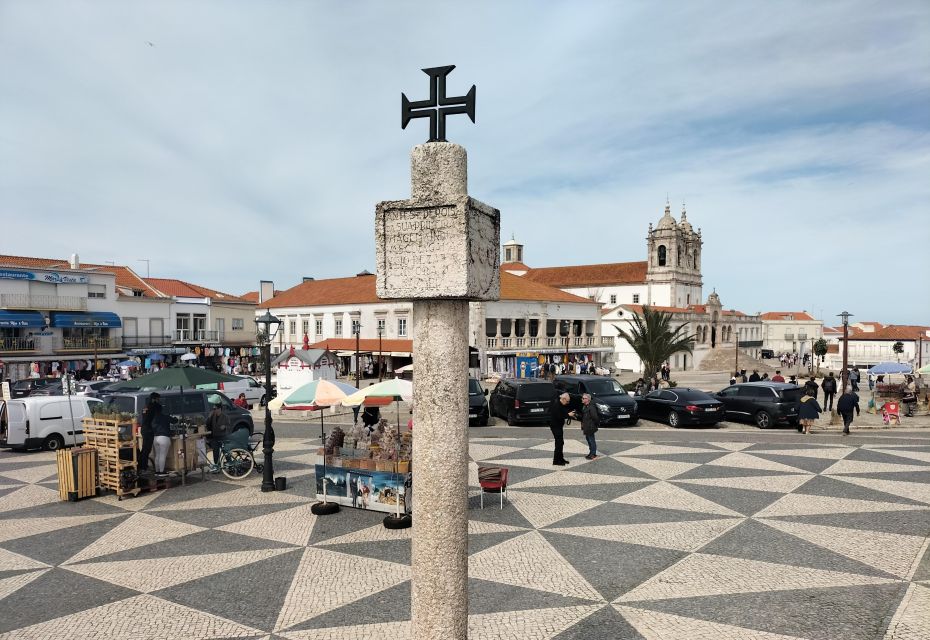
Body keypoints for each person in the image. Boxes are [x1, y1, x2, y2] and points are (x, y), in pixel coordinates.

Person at [548, 392, 574, 465]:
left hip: (558, 426)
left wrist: (569, 413)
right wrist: (568, 415)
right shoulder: (556, 405)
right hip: (555, 427)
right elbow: (559, 416)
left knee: (561, 443)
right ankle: (556, 461)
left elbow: (563, 412)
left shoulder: (561, 404)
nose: (568, 402)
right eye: (567, 401)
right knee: (559, 443)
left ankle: (561, 459)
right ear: (563, 399)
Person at [205, 398, 230, 469]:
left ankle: (230, 462)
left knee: (226, 450)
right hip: (215, 436)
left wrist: (224, 427)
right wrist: (209, 416)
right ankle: (217, 465)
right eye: (213, 409)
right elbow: (207, 424)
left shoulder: (225, 416)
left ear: (220, 409)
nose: (214, 410)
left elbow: (229, 426)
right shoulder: (212, 416)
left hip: (223, 436)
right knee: (215, 451)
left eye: (215, 409)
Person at [138, 392, 160, 472]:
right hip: (148, 430)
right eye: (158, 399)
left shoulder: (145, 406)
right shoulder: (153, 406)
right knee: (147, 449)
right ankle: (143, 467)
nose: (159, 401)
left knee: (144, 449)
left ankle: (142, 465)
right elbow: (158, 415)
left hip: (143, 429)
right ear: (154, 399)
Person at [152, 403, 174, 478]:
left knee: (157, 455)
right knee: (162, 455)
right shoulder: (165, 417)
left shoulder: (152, 418)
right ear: (161, 410)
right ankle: (161, 471)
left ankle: (157, 471)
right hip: (164, 438)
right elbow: (174, 420)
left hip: (155, 438)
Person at [580, 393, 600, 459]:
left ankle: (593, 454)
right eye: (582, 398)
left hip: (590, 427)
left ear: (588, 399)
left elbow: (595, 417)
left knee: (591, 440)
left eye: (583, 398)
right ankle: (591, 452)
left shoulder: (591, 407)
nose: (582, 399)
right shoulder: (585, 406)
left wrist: (595, 425)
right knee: (589, 440)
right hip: (586, 427)